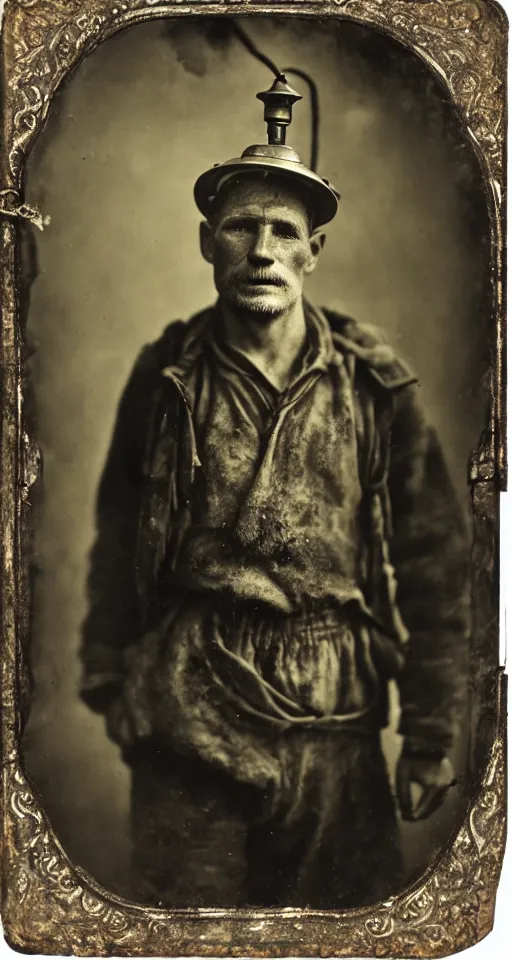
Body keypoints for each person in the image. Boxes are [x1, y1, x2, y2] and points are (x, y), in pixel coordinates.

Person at [80, 76, 469, 909]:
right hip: (192, 709)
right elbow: (119, 531)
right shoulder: (167, 374)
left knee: (334, 931)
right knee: (198, 932)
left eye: (284, 232)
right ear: (206, 242)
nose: (261, 251)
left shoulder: (375, 386)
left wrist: (435, 731)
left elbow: (436, 561)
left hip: (335, 721)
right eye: (240, 228)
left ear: (313, 253)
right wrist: (113, 678)